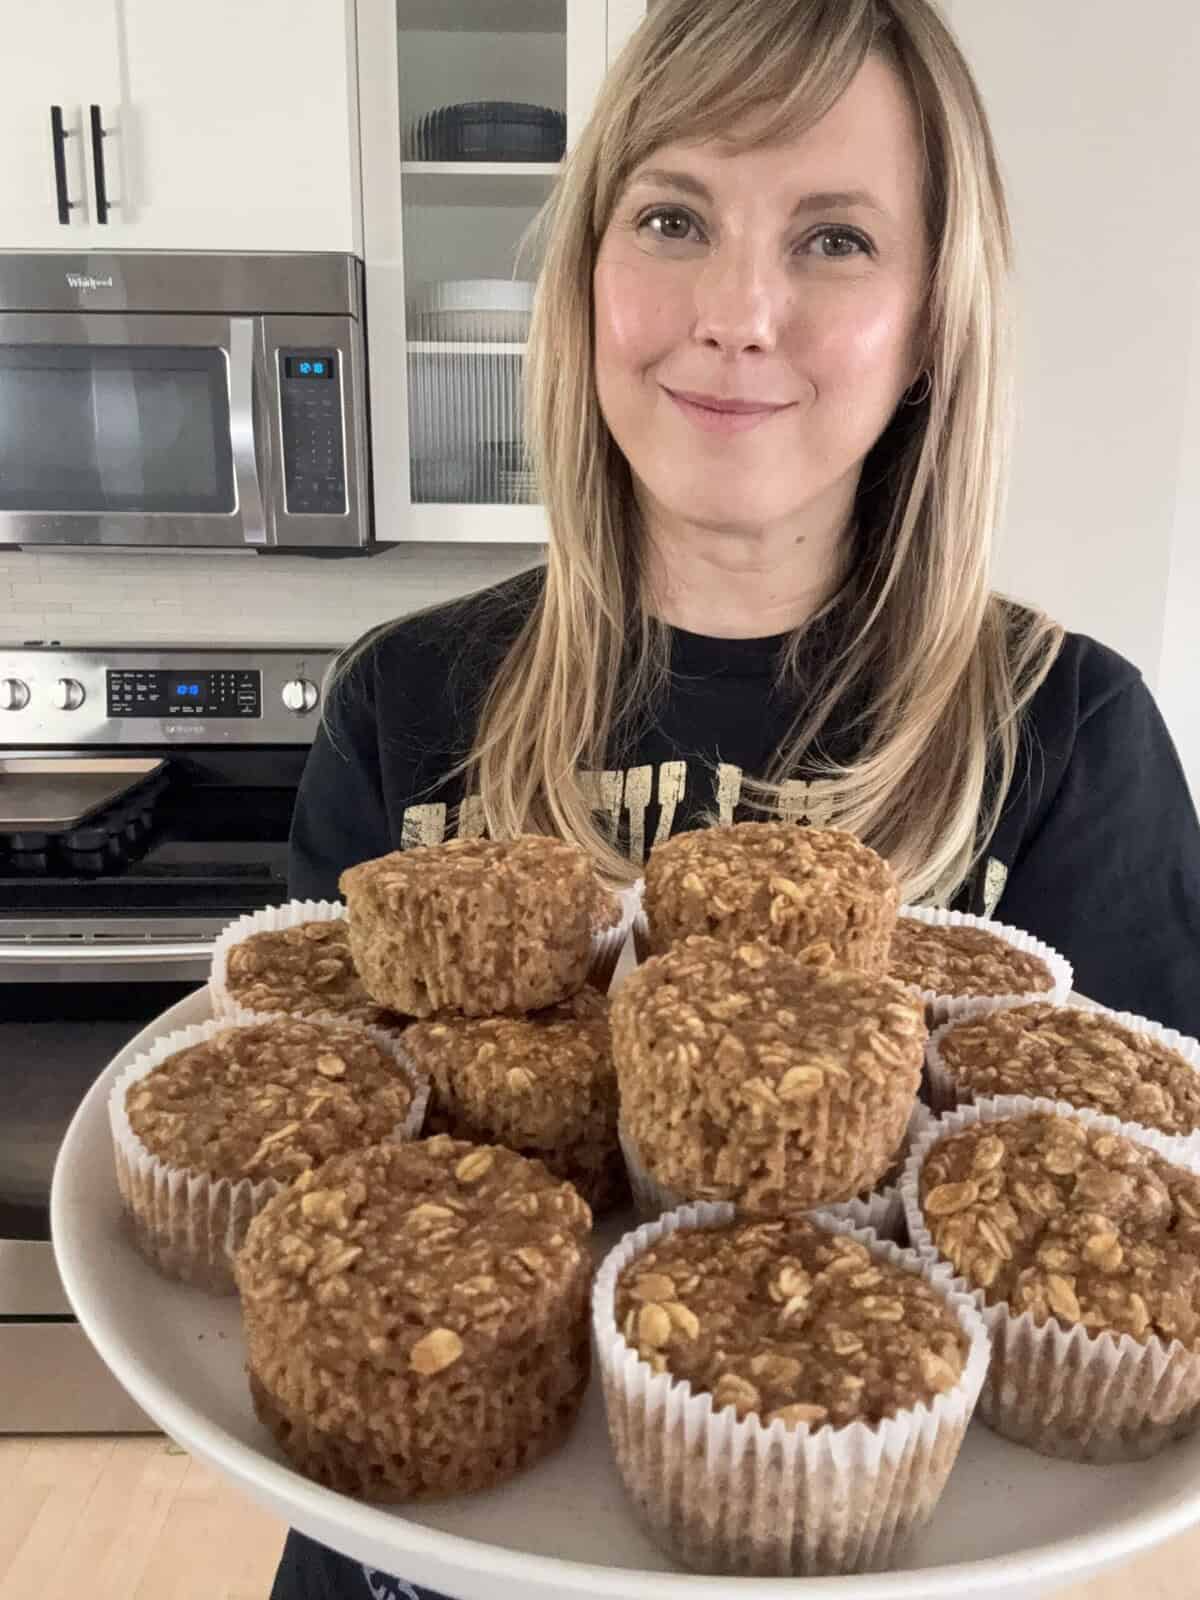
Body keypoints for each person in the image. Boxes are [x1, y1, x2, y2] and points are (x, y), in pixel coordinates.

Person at [273, 0, 1200, 1593]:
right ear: (586, 277)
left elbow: (1152, 1239)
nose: (738, 310)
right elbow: (303, 1174)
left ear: (930, 325)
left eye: (835, 239)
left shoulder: (1072, 733)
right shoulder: (402, 700)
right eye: (674, 216)